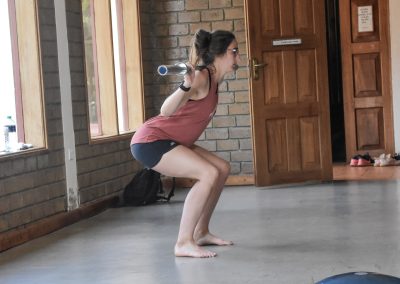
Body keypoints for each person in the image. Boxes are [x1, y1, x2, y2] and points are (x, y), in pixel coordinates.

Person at [130, 29, 240, 258]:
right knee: (208, 173)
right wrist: (184, 86)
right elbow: (165, 111)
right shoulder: (201, 76)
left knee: (221, 169)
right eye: (234, 52)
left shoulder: (215, 81)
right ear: (219, 54)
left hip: (173, 140)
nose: (238, 58)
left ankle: (201, 232)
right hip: (151, 141)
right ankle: (183, 242)